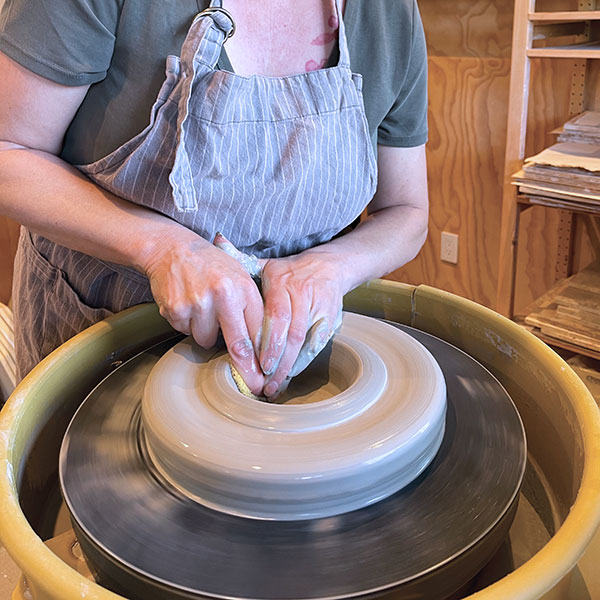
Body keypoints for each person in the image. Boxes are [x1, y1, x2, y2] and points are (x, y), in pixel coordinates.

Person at [0, 0, 429, 398]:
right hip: (101, 346)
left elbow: (406, 212)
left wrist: (331, 268)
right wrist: (164, 249)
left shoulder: (390, 14)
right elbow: (8, 154)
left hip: (297, 374)